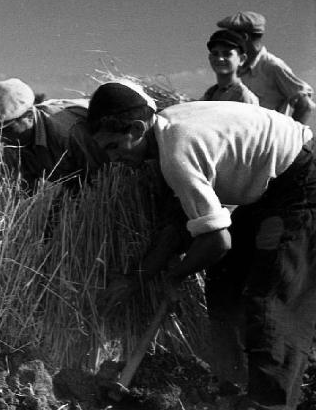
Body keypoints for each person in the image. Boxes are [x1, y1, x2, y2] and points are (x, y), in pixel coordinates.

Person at [87, 80, 315, 410]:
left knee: (272, 299)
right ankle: (229, 385)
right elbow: (178, 225)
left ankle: (269, 402)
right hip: (268, 190)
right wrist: (138, 279)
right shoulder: (165, 132)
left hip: (301, 184)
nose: (114, 158)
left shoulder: (176, 152)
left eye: (114, 146)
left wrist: (175, 277)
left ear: (137, 128)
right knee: (225, 279)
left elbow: (217, 241)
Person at [0, 78, 108, 190]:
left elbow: (101, 181)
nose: (3, 139)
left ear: (29, 116)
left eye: (7, 130)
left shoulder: (69, 134)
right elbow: (24, 191)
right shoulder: (13, 145)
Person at [217, 11, 315, 124]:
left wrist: (290, 139)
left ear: (244, 37)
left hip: (264, 140)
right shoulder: (236, 67)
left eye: (230, 37)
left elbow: (305, 106)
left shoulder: (272, 66)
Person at [201, 29, 259, 105]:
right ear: (210, 58)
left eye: (227, 54)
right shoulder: (209, 95)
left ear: (242, 59)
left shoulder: (245, 98)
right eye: (215, 53)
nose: (220, 59)